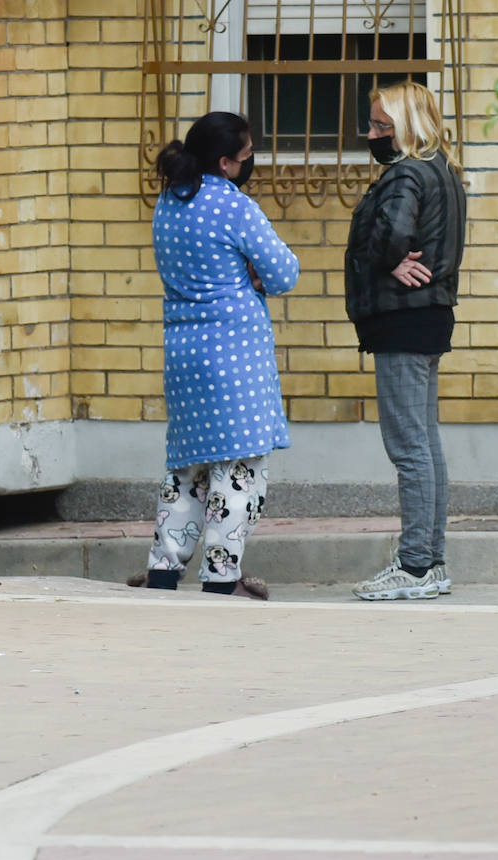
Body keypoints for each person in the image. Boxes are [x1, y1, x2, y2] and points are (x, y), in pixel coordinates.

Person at [128, 112, 300, 599]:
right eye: (245, 156)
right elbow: (284, 272)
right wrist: (253, 271)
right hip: (235, 354)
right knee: (239, 470)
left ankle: (163, 568)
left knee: (187, 469)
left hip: (183, 352)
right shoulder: (234, 206)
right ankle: (222, 577)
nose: (249, 163)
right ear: (225, 163)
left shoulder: (169, 202)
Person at [345, 81, 466, 601]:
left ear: (408, 128)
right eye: (372, 125)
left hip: (401, 319)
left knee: (408, 446)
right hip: (431, 315)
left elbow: (390, 236)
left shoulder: (406, 174)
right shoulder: (444, 169)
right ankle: (432, 561)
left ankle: (415, 564)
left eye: (381, 127)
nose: (371, 135)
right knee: (426, 443)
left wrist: (385, 259)